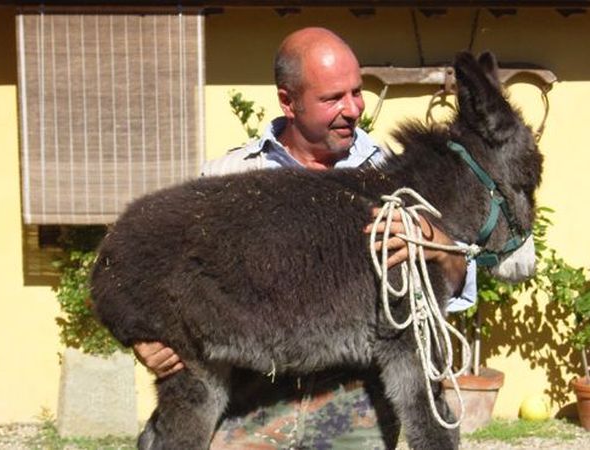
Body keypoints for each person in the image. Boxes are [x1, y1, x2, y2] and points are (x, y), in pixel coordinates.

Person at [134, 27, 477, 448]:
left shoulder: (395, 182)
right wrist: (146, 338)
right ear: (287, 100)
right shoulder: (228, 178)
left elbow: (460, 285)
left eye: (356, 91)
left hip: (355, 419)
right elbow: (153, 270)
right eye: (333, 98)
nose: (352, 109)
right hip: (249, 416)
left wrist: (437, 244)